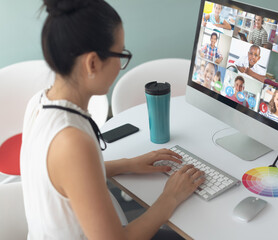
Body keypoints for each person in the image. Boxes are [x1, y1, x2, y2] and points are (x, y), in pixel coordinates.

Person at [20, 1, 205, 239]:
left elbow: (69, 176)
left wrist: (129, 163)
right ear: (93, 63)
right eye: (120, 54)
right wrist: (171, 197)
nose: (120, 66)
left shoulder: (38, 103)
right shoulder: (72, 141)